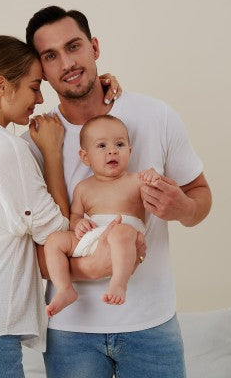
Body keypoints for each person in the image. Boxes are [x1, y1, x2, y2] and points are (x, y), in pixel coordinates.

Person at [23, 6, 212, 378]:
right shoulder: (35, 142)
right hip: (70, 332)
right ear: (41, 70)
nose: (67, 63)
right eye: (51, 56)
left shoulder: (155, 116)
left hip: (151, 324)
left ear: (94, 47)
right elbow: (31, 255)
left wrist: (184, 209)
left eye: (74, 46)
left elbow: (200, 195)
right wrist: (91, 267)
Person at [0, 35, 124, 378]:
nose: (40, 98)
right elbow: (57, 229)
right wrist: (51, 151)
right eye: (34, 87)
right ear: (1, 86)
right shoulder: (5, 149)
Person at [44, 115, 162, 316]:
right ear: (85, 157)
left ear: (130, 151)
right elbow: (75, 217)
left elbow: (161, 192)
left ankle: (119, 282)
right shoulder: (83, 188)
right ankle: (64, 289)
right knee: (54, 241)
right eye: (101, 145)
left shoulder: (137, 180)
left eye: (119, 144)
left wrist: (154, 177)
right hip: (93, 237)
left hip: (125, 235)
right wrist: (79, 224)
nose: (112, 150)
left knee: (121, 232)